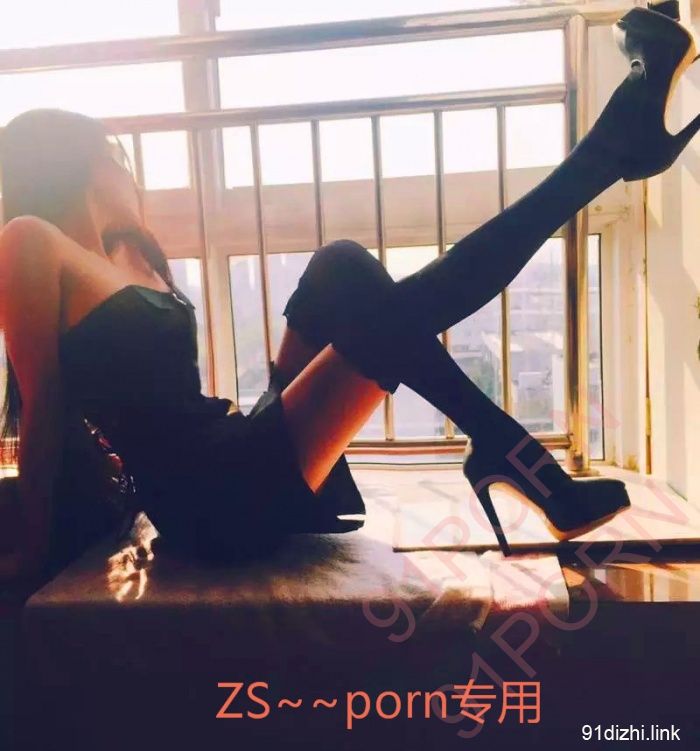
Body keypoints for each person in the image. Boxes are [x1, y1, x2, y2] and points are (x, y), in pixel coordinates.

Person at [0, 4, 698, 584]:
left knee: (341, 269)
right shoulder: (30, 241)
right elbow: (44, 410)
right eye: (116, 156)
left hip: (231, 452)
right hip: (217, 500)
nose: (129, 173)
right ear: (78, 163)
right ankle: (614, 148)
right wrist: (31, 553)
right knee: (407, 300)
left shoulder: (124, 255)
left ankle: (510, 447)